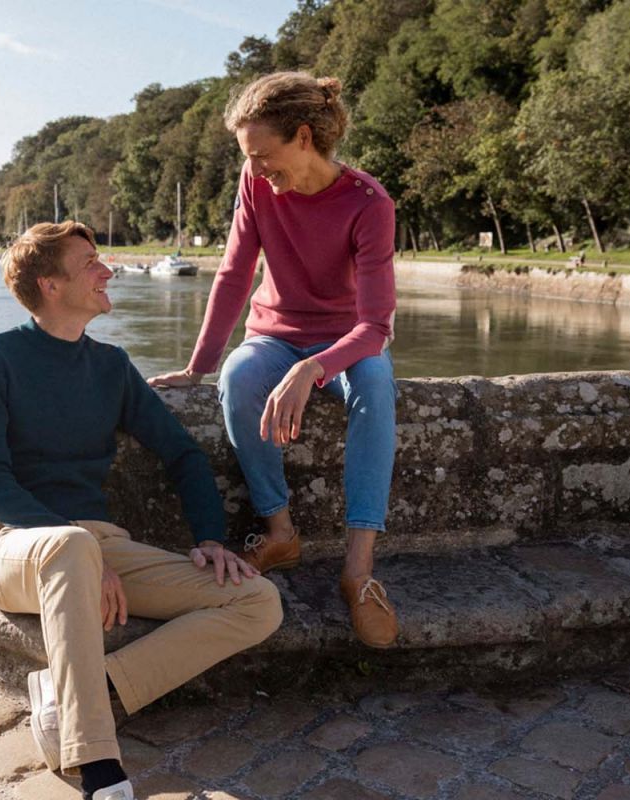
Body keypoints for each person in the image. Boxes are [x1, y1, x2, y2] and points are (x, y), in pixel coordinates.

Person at [0, 221, 281, 800]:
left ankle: (81, 691)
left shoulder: (110, 365)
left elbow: (181, 452)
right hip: (11, 547)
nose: (106, 271)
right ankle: (99, 768)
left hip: (100, 545)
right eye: (89, 263)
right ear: (50, 285)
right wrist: (76, 547)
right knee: (72, 546)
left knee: (257, 600)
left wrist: (210, 537)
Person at [149, 72, 400, 649]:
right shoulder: (255, 182)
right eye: (250, 159)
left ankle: (358, 571)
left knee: (377, 386)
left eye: (264, 156)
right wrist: (200, 365)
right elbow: (236, 273)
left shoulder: (369, 203)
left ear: (305, 137)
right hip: (274, 334)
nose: (256, 169)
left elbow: (376, 327)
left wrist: (313, 368)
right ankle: (280, 532)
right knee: (239, 377)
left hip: (346, 342)